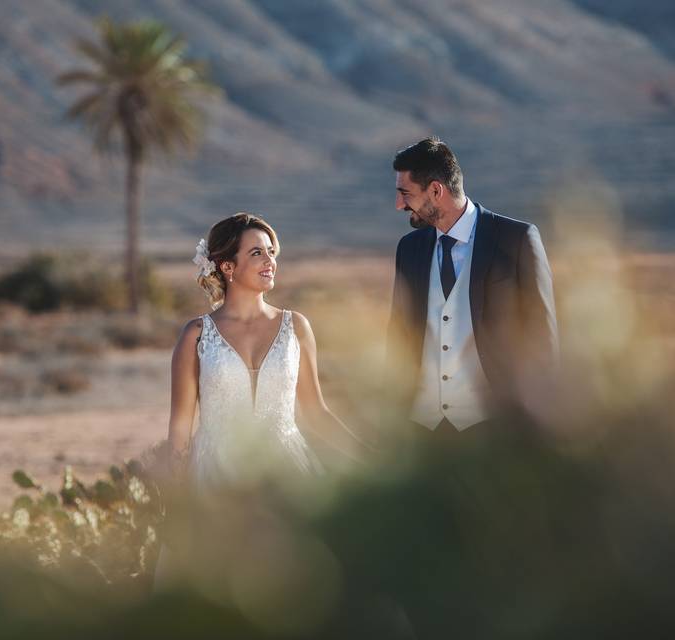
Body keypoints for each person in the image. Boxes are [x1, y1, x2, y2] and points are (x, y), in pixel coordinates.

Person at [164, 212, 368, 491]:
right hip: (216, 477)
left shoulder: (296, 327)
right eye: (257, 253)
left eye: (271, 252)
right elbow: (179, 432)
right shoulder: (196, 335)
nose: (270, 261)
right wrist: (173, 503)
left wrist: (371, 461)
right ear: (227, 266)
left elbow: (317, 412)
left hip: (286, 473)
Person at [385, 137, 559, 444]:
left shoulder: (515, 240)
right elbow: (398, 339)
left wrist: (536, 428)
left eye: (405, 193)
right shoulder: (408, 249)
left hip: (497, 432)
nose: (399, 204)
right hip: (420, 434)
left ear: (436, 191)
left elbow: (542, 339)